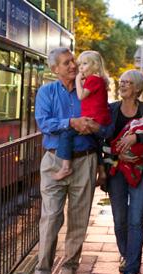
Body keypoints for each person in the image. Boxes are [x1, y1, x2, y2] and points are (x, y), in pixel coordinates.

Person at [32, 47, 109, 274]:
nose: (73, 66)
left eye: (74, 61)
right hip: (54, 161)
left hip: (85, 160)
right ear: (55, 69)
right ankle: (41, 273)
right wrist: (71, 123)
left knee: (79, 219)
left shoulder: (88, 89)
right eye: (67, 63)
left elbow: (103, 125)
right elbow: (44, 123)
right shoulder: (46, 92)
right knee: (51, 217)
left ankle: (69, 270)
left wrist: (100, 161)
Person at [105, 70, 143, 274]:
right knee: (120, 219)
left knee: (135, 220)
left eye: (127, 83)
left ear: (138, 88)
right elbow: (101, 136)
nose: (122, 85)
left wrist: (137, 137)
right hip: (116, 172)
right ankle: (126, 254)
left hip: (141, 172)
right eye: (121, 82)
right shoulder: (112, 109)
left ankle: (132, 269)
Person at [52, 50, 111, 180]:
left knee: (66, 133)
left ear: (94, 65)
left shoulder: (93, 79)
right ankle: (101, 172)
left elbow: (80, 96)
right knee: (97, 143)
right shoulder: (98, 80)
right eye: (80, 64)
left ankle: (65, 166)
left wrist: (78, 80)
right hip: (99, 120)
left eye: (84, 64)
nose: (80, 68)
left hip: (92, 119)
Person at [103, 111, 143, 187]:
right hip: (118, 158)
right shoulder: (114, 108)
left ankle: (112, 155)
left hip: (139, 159)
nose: (141, 119)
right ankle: (112, 160)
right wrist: (119, 156)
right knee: (118, 162)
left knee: (127, 167)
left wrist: (136, 137)